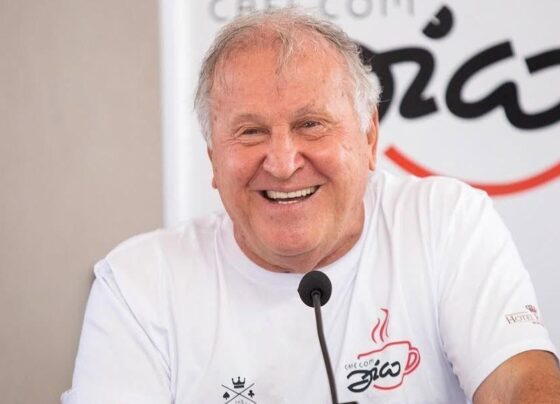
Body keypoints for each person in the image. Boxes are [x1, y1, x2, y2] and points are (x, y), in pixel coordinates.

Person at [62, 7, 560, 404]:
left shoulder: (445, 221)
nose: (282, 163)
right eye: (250, 132)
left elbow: (518, 382)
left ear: (369, 138)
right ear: (213, 160)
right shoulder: (138, 284)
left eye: (310, 125)